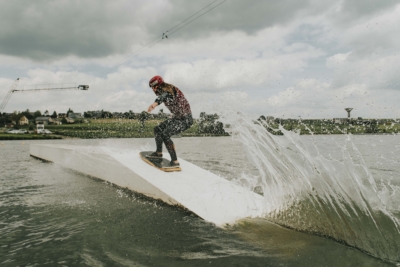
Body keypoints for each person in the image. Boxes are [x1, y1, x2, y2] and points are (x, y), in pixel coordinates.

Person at [147, 75, 193, 167]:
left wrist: (155, 103)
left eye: (153, 87)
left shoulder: (169, 90)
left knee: (165, 134)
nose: (153, 90)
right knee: (157, 129)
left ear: (157, 86)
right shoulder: (167, 90)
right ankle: (158, 152)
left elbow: (165, 95)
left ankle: (174, 161)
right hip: (177, 118)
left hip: (185, 120)